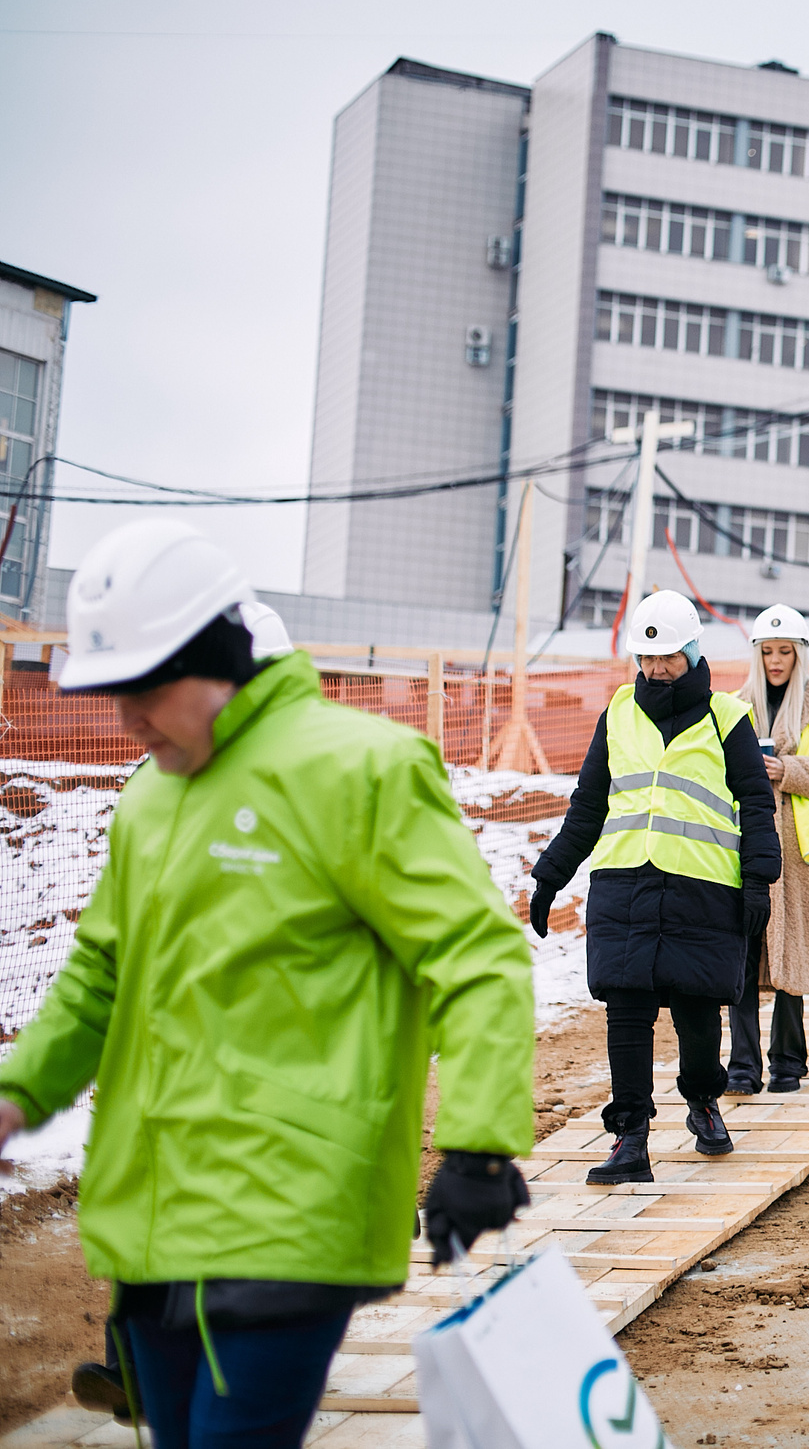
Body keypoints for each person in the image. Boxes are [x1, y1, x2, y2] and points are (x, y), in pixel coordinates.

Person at [0, 520, 535, 1444]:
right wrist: (17, 1097)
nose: (124, 716)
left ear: (212, 658)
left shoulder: (360, 769)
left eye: (143, 688)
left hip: (292, 1206)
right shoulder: (150, 794)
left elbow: (478, 955)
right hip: (152, 1206)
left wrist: (480, 1145)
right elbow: (101, 970)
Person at [531, 590, 780, 1185]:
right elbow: (588, 805)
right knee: (627, 1007)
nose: (655, 670)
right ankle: (631, 1139)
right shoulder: (618, 713)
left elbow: (755, 803)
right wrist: (549, 875)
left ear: (692, 653)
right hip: (625, 887)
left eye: (666, 658)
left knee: (697, 1014)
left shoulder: (728, 718)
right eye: (646, 660)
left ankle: (702, 1100)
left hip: (701, 889)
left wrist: (758, 882)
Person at [727, 605, 809, 1096]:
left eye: (785, 652)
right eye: (768, 652)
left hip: (801, 855)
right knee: (740, 954)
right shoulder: (734, 709)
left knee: (794, 956)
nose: (776, 661)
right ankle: (742, 1065)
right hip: (743, 850)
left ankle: (788, 1061)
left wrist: (791, 772)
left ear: (800, 655)